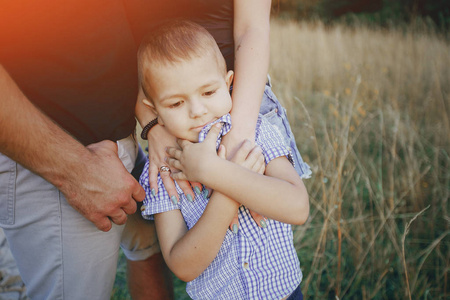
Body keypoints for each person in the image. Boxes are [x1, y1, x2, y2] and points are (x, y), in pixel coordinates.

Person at [137, 20, 310, 299]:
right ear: (153, 109)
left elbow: (297, 207)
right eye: (175, 103)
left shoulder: (255, 133)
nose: (197, 110)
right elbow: (182, 265)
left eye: (208, 92)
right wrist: (225, 195)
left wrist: (211, 171)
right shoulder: (163, 170)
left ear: (228, 83)